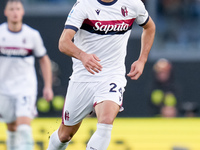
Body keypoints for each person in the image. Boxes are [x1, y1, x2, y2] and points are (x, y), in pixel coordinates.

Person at [47, 0, 155, 149]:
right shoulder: (84, 5)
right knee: (65, 135)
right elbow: (63, 42)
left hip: (112, 75)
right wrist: (83, 56)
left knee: (106, 121)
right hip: (83, 78)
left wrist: (142, 59)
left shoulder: (132, 4)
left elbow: (149, 27)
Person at [0, 0, 54, 150]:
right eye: (12, 9)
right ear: (6, 12)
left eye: (18, 8)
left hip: (25, 87)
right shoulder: (1, 33)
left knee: (24, 128)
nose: (15, 12)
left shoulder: (32, 35)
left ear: (22, 11)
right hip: (4, 88)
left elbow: (44, 59)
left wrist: (48, 86)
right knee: (11, 128)